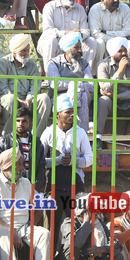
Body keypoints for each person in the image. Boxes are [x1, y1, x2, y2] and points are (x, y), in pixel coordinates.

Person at [37, 94, 93, 251]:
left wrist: (74, 161)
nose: (72, 115)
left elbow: (89, 159)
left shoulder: (80, 132)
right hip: (53, 188)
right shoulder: (48, 132)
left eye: (72, 112)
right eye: (68, 112)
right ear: (58, 114)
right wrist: (57, 161)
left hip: (75, 187)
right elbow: (39, 161)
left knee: (77, 227)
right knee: (52, 228)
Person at [0, 34, 47, 139]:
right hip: (9, 98)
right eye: (23, 51)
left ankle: (36, 139)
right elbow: (3, 88)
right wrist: (18, 100)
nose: (26, 53)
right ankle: (8, 140)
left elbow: (35, 85)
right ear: (15, 50)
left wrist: (28, 99)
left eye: (27, 50)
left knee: (44, 98)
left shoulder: (32, 64)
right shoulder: (3, 63)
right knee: (10, 99)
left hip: (28, 99)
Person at [38, 0, 97, 69]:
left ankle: (84, 72)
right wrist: (67, 33)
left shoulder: (80, 9)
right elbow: (47, 31)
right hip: (55, 43)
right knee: (51, 40)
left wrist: (79, 35)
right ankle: (49, 73)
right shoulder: (49, 7)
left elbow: (86, 31)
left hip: (74, 44)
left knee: (91, 41)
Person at [96, 37, 130, 134]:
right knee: (103, 100)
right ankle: (98, 137)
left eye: (125, 50)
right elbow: (105, 87)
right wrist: (119, 71)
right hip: (111, 104)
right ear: (112, 52)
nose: (124, 53)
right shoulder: (102, 65)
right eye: (120, 51)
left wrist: (118, 96)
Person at [46, 33, 92, 130]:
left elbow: (91, 85)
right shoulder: (54, 63)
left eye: (80, 47)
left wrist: (77, 85)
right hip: (59, 97)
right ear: (67, 49)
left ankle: (72, 108)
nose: (79, 50)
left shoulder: (84, 63)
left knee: (81, 92)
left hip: (81, 95)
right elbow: (55, 84)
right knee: (82, 95)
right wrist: (74, 84)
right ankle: (81, 133)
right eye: (76, 48)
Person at [87, 0, 130, 71]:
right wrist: (114, 39)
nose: (116, 0)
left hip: (120, 44)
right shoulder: (95, 9)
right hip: (104, 42)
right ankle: (96, 74)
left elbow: (128, 32)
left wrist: (106, 32)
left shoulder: (125, 8)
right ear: (102, 0)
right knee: (99, 43)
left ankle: (128, 73)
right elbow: (95, 34)